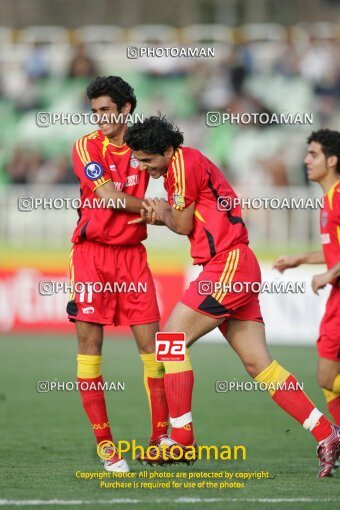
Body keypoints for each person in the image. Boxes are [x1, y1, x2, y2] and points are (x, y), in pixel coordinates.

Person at [125, 116, 340, 477]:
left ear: (166, 150)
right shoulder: (185, 163)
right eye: (138, 161)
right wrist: (162, 210)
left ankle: (180, 438)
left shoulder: (184, 164)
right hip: (235, 264)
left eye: (147, 160)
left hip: (227, 264)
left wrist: (158, 211)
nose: (144, 168)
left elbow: (181, 224)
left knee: (171, 341)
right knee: (259, 365)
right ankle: (326, 432)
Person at [67, 78, 169, 472]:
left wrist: (169, 211)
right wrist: (150, 207)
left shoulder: (145, 145)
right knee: (90, 349)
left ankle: (160, 437)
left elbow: (174, 186)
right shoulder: (86, 146)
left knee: (154, 349)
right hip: (91, 257)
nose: (100, 119)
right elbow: (108, 196)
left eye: (106, 110)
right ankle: (107, 446)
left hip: (132, 258)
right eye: (94, 112)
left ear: (126, 109)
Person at [274, 129, 340, 427]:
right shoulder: (327, 201)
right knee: (327, 378)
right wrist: (300, 259)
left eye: (313, 154)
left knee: (326, 376)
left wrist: (330, 273)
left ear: (333, 160)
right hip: (335, 296)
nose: (306, 160)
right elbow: (334, 252)